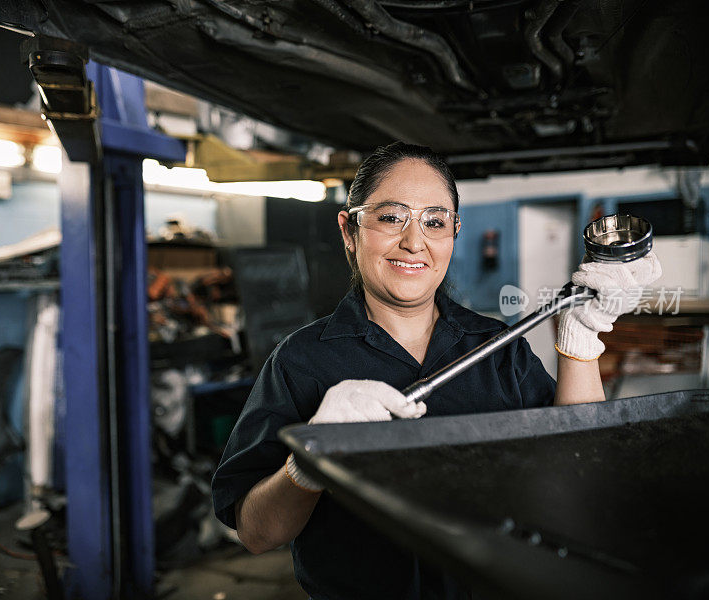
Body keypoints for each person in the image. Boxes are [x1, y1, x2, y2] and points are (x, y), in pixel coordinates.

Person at [211, 142, 661, 599]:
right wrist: (306, 462)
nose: (414, 240)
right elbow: (256, 533)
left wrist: (581, 344)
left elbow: (581, 472)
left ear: (453, 233)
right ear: (350, 230)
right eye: (390, 217)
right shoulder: (300, 361)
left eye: (434, 221)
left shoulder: (496, 347)